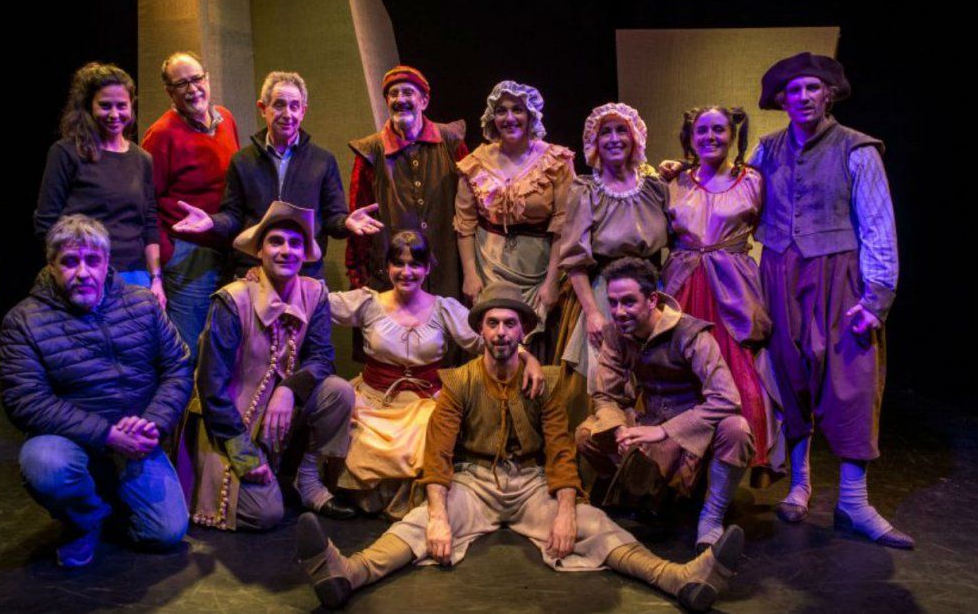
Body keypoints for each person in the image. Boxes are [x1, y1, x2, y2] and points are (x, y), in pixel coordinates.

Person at [298, 281, 745, 613]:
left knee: (594, 525)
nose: (500, 332)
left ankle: (679, 578)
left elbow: (560, 450)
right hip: (474, 482)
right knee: (418, 525)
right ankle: (348, 572)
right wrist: (437, 516)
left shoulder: (543, 382)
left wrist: (566, 510)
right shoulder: (459, 382)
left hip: (531, 482)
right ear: (481, 330)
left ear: (522, 332)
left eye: (510, 323)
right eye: (492, 323)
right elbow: (438, 454)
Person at [752, 52, 912, 548]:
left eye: (812, 88)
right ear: (782, 100)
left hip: (839, 274)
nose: (803, 97)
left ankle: (853, 502)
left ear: (829, 95)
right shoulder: (766, 150)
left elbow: (878, 224)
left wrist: (877, 296)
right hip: (779, 273)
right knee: (789, 376)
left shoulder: (856, 149)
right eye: (793, 91)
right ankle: (799, 486)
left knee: (851, 382)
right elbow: (733, 199)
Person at [0, 214, 191, 567]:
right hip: (72, 439)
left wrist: (153, 423)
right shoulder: (23, 321)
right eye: (69, 261)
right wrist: (106, 435)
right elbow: (26, 401)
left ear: (106, 263)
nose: (83, 272)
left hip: (136, 437)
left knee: (166, 533)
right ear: (51, 265)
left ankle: (105, 500)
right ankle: (82, 521)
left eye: (92, 260)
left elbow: (177, 367)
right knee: (45, 465)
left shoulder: (143, 304)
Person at [330, 230, 545, 518]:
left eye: (415, 264)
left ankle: (416, 504)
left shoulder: (443, 308)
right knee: (358, 433)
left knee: (428, 435)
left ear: (427, 268)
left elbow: (490, 339)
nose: (406, 272)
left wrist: (527, 357)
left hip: (425, 401)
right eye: (398, 263)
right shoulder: (368, 303)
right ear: (387, 266)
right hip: (373, 400)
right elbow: (315, 300)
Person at [179, 201, 356, 531]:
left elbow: (322, 357)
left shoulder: (314, 293)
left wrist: (288, 390)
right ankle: (257, 469)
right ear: (259, 251)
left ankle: (306, 478)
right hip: (233, 419)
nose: (286, 250)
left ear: (304, 254)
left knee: (339, 391)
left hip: (282, 414)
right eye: (276, 241)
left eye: (295, 243)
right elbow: (211, 386)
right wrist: (243, 454)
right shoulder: (232, 300)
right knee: (264, 515)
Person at [576, 258, 754, 552]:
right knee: (588, 434)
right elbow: (605, 396)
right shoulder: (616, 334)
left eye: (629, 302)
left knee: (736, 429)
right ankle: (636, 494)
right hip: (650, 421)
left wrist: (664, 431)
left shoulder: (691, 334)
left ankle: (711, 515)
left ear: (652, 300)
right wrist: (618, 428)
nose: (619, 311)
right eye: (613, 302)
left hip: (694, 433)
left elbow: (726, 398)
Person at [661, 106, 784, 486]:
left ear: (732, 135)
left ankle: (734, 462)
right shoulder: (677, 181)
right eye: (702, 131)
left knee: (739, 369)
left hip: (732, 289)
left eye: (718, 130)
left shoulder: (752, 181)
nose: (710, 137)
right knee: (683, 368)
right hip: (684, 283)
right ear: (690, 138)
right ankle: (681, 468)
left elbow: (770, 228)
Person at [172, 71, 382, 279]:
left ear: (303, 111)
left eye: (294, 106)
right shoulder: (242, 161)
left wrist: (346, 223)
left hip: (306, 276)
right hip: (254, 274)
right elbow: (233, 216)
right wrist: (212, 221)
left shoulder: (323, 161)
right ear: (263, 108)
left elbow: (332, 219)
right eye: (279, 105)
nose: (288, 114)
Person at [555, 103, 669, 432]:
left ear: (636, 138)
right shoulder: (586, 191)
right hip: (606, 295)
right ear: (594, 141)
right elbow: (574, 260)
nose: (614, 138)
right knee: (605, 378)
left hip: (651, 292)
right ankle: (603, 447)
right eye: (606, 132)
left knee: (653, 374)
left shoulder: (655, 188)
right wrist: (592, 312)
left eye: (622, 130)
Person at [455, 80, 574, 357]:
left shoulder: (556, 160)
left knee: (534, 341)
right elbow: (464, 224)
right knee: (495, 337)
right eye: (501, 111)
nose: (509, 118)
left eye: (517, 110)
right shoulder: (475, 162)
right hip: (489, 264)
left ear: (531, 114)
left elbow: (564, 224)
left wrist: (552, 280)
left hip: (539, 265)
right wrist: (470, 274)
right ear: (492, 117)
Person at [34, 62, 166, 305]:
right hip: (87, 276)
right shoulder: (66, 153)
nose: (114, 114)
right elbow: (47, 223)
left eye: (121, 105)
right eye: (105, 105)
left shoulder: (142, 159)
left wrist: (156, 279)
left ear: (131, 105)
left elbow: (149, 223)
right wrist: (73, 270)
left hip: (135, 276)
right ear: (88, 107)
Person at [142, 51, 240, 362]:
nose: (193, 89)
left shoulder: (226, 119)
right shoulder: (161, 135)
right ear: (169, 92)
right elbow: (145, 205)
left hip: (228, 247)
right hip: (189, 256)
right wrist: (168, 255)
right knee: (190, 351)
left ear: (207, 78)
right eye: (181, 83)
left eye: (196, 79)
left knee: (225, 349)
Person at [346, 65, 468, 298]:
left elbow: (471, 205)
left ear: (424, 101)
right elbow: (360, 214)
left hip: (449, 272)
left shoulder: (451, 141)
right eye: (393, 94)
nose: (400, 99)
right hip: (394, 275)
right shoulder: (371, 151)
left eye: (408, 92)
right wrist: (358, 274)